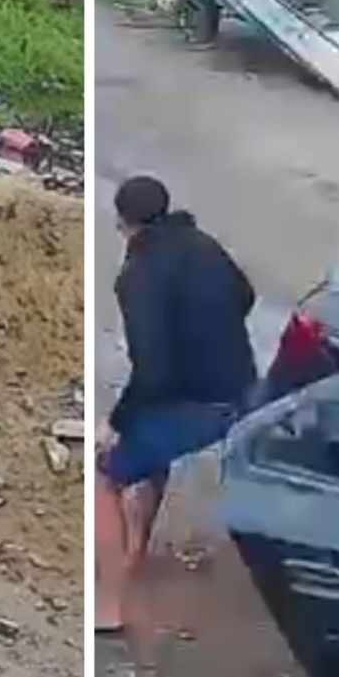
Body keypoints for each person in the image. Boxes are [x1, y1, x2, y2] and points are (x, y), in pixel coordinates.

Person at [95, 175, 257, 635]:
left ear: (123, 223)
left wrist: (116, 423)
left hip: (199, 402)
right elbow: (246, 296)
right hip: (243, 390)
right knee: (151, 454)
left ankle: (108, 607)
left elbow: (153, 369)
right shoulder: (203, 244)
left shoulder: (138, 276)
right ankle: (133, 554)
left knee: (105, 472)